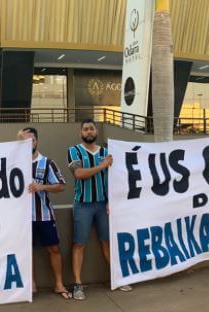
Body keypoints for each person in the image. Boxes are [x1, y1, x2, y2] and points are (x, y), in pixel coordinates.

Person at [67, 119, 131, 300]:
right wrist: (102, 166)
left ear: (96, 132)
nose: (89, 132)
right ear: (81, 133)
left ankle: (116, 278)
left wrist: (112, 201)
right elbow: (78, 174)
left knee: (107, 241)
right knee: (79, 243)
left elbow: (115, 179)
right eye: (85, 129)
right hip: (83, 205)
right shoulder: (74, 151)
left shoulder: (106, 152)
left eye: (91, 129)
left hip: (104, 204)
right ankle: (78, 284)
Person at [18, 128, 71, 299]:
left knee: (54, 248)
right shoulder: (15, 164)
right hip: (23, 217)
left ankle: (58, 284)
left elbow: (61, 185)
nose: (28, 144)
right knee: (28, 251)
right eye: (23, 141)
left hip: (45, 215)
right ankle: (31, 284)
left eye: (30, 140)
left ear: (37, 141)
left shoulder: (47, 163)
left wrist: (42, 187)